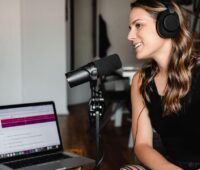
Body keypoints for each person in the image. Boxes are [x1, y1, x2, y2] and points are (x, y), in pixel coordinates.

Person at [121, 0, 200, 170]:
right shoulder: (140, 81)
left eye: (138, 25)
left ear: (167, 24)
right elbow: (142, 145)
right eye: (130, 28)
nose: (130, 36)